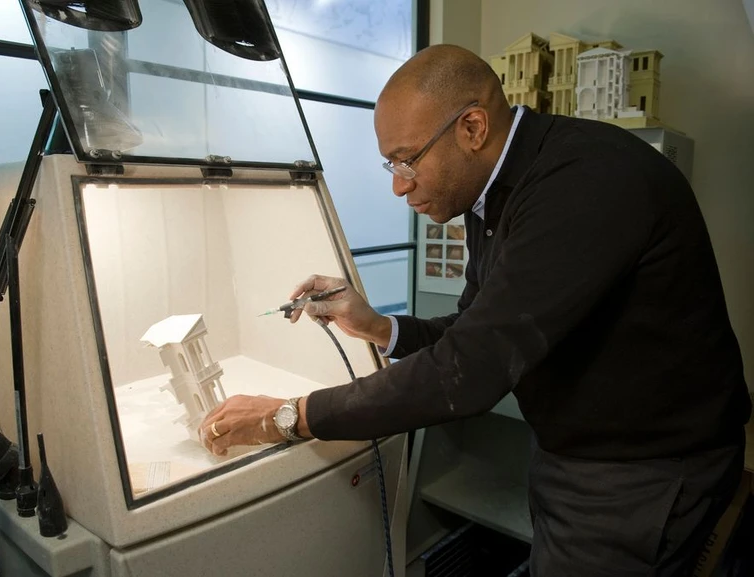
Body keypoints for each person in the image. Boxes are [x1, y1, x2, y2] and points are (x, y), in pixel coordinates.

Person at [199, 44, 751, 576]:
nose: (397, 186)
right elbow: (474, 325)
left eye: (407, 160)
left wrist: (288, 417)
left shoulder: (583, 183)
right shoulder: (494, 192)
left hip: (643, 468)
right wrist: (376, 326)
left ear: (472, 128)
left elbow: (470, 370)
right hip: (576, 448)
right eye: (389, 163)